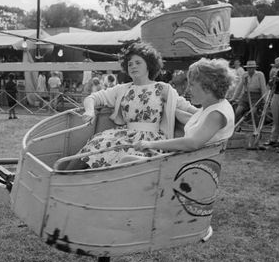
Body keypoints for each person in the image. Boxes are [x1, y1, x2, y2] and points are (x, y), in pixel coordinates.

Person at [63, 42, 198, 170]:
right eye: (130, 64)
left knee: (126, 157)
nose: (133, 66)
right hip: (124, 135)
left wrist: (212, 112)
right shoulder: (122, 89)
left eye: (138, 63)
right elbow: (93, 97)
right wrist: (90, 111)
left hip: (151, 141)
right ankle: (63, 177)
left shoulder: (163, 88)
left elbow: (188, 108)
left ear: (149, 65)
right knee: (95, 145)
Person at [133, 58, 235, 153]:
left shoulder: (216, 114)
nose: (187, 89)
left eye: (192, 85)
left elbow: (193, 143)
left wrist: (150, 144)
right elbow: (194, 120)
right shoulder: (213, 106)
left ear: (207, 87)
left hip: (192, 163)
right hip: (191, 160)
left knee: (128, 159)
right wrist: (169, 109)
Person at [230, 60, 266, 125]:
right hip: (246, 95)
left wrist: (265, 100)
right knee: (238, 111)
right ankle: (237, 126)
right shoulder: (244, 75)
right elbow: (239, 87)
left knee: (253, 112)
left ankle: (256, 127)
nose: (250, 69)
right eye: (248, 68)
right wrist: (234, 98)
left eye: (252, 67)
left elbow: (263, 88)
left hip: (256, 95)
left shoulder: (260, 75)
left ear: (255, 68)